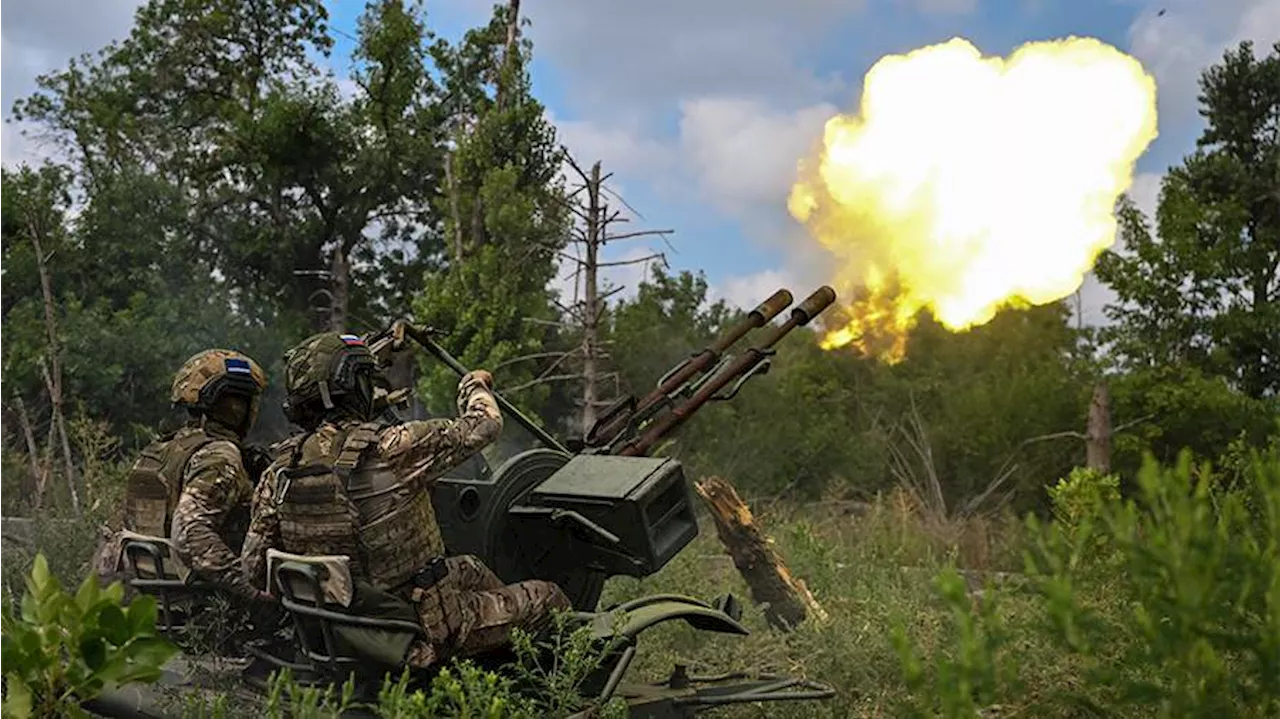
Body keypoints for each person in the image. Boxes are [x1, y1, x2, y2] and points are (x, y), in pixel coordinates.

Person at [240, 330, 570, 669]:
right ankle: (517, 678)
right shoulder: (394, 447)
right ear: (356, 387)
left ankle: (494, 649)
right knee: (550, 597)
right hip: (419, 629)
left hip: (335, 630)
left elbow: (252, 568)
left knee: (470, 567)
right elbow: (484, 425)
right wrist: (475, 385)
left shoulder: (278, 472)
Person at [92, 348, 271, 607]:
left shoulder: (160, 450)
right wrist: (248, 587)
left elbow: (117, 529)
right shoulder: (219, 455)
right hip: (201, 602)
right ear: (238, 407)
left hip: (147, 598)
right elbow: (189, 533)